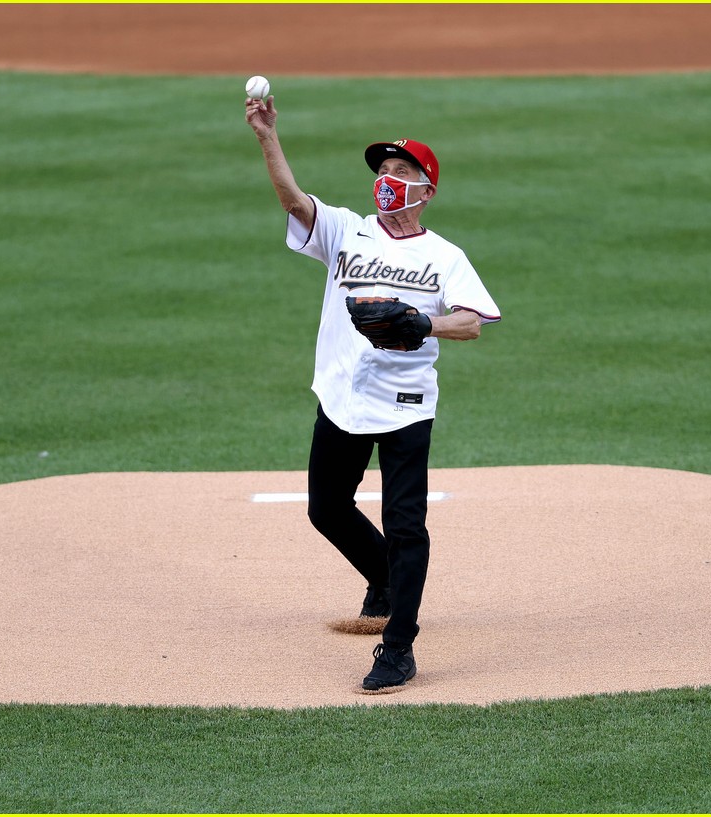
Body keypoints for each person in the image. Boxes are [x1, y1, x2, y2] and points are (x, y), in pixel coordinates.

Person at [244, 93, 501, 691]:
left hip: (407, 404)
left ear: (426, 189)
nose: (386, 180)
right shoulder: (344, 232)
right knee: (326, 508)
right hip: (341, 395)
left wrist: (423, 324)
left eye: (401, 172)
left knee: (406, 523)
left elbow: (472, 322)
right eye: (382, 172)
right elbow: (291, 198)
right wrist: (266, 136)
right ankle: (384, 578)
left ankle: (399, 646)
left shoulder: (445, 256)